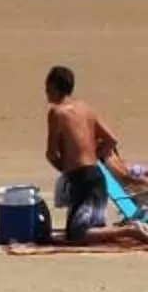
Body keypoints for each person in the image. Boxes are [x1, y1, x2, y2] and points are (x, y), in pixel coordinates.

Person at [44, 65, 148, 247]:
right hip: (96, 177)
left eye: (47, 89)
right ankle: (131, 229)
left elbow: (52, 153)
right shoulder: (85, 109)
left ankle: (131, 229)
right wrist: (93, 155)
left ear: (53, 87)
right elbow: (111, 140)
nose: (46, 94)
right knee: (84, 228)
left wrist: (66, 168)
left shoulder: (56, 112)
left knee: (77, 234)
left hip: (82, 179)